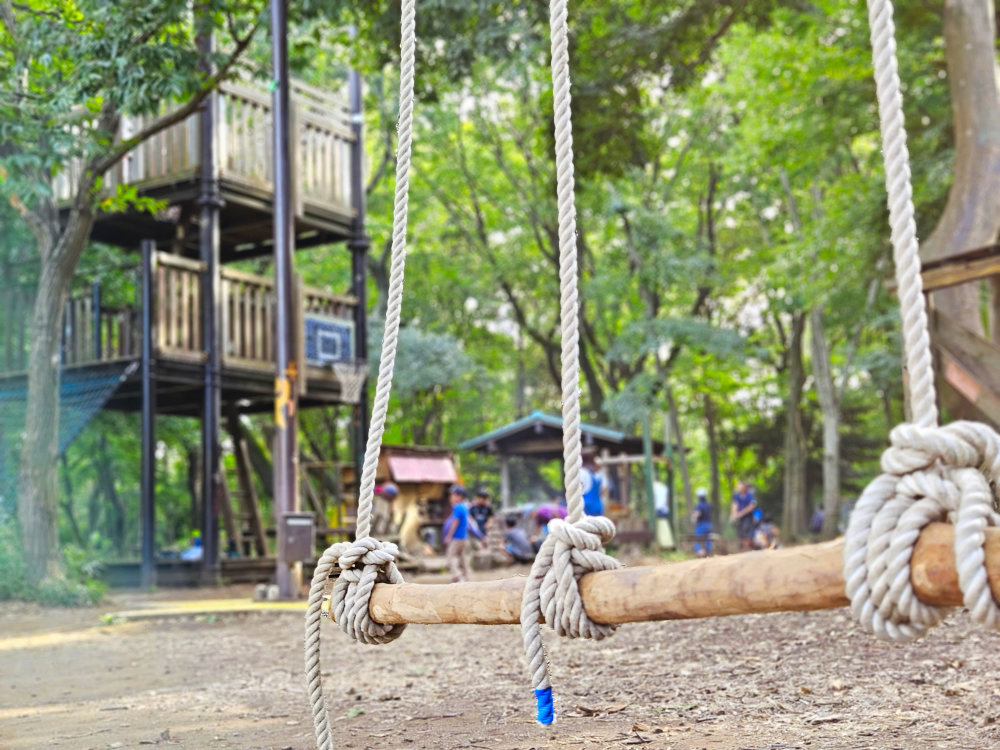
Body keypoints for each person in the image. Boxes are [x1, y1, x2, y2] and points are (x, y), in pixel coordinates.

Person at [441, 484, 484, 582]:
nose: (451, 497)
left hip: (456, 538)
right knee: (462, 558)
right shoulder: (464, 507)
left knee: (450, 556)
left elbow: (455, 522)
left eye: (453, 495)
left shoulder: (457, 508)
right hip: (464, 538)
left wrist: (449, 536)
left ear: (459, 496)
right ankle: (466, 576)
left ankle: (456, 575)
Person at [730, 480, 757, 551]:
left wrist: (741, 513)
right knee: (740, 532)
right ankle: (745, 547)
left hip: (748, 517)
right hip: (739, 518)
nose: (739, 488)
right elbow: (734, 505)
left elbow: (752, 506)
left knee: (746, 531)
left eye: (740, 487)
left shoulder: (750, 495)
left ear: (744, 487)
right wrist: (733, 514)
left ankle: (747, 548)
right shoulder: (736, 495)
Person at [581, 450, 603, 516]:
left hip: (586, 508)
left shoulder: (582, 472)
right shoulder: (597, 474)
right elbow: (603, 490)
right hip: (598, 507)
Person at [692, 488, 713, 557]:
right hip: (708, 524)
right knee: (707, 539)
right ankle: (708, 552)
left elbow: (698, 513)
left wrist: (693, 517)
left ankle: (701, 552)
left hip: (701, 524)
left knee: (697, 539)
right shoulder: (708, 504)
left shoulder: (699, 505)